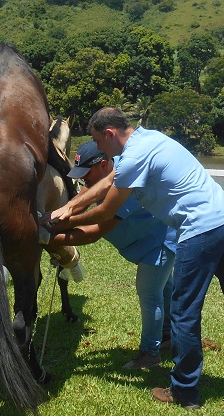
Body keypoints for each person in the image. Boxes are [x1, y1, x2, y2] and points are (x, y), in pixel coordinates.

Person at [41, 106, 224, 410]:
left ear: (110, 134)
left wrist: (56, 223)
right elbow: (104, 182)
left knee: (184, 313)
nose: (100, 149)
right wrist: (69, 208)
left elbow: (104, 212)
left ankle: (184, 391)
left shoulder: (134, 157)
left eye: (99, 142)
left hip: (201, 230)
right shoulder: (147, 140)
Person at [40, 140, 176, 369]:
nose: (84, 180)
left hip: (159, 242)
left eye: (87, 173)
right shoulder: (109, 171)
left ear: (103, 165)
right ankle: (168, 334)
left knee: (150, 293)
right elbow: (88, 193)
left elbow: (94, 231)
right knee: (164, 287)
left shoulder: (128, 184)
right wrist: (61, 213)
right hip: (146, 239)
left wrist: (47, 236)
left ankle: (150, 354)